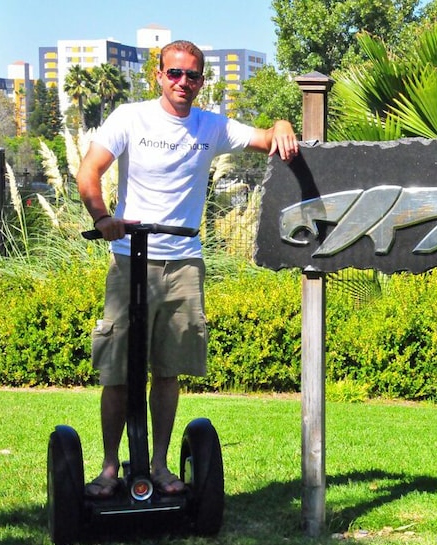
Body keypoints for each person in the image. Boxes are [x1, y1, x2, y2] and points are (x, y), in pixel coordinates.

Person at [77, 39, 299, 498]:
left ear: (202, 81)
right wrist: (103, 219)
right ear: (159, 75)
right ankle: (107, 467)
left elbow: (263, 139)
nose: (183, 82)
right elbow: (89, 172)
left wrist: (281, 123)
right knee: (118, 370)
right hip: (128, 259)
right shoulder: (130, 118)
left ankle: (158, 464)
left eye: (192, 75)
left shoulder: (209, 126)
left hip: (183, 262)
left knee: (169, 370)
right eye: (174, 73)